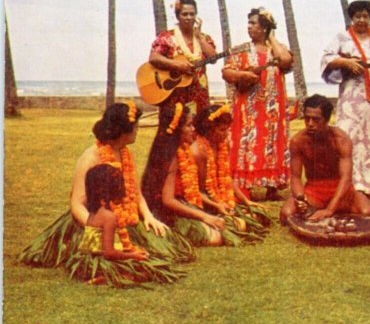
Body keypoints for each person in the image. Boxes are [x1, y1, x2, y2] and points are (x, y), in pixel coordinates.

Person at [20, 102, 195, 269]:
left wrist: (148, 216)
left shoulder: (125, 151)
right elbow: (77, 203)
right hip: (93, 218)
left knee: (168, 247)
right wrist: (98, 229)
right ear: (122, 131)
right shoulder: (91, 157)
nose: (137, 131)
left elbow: (135, 192)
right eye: (135, 128)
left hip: (123, 215)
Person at [141, 102, 254, 247]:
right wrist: (206, 217)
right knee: (217, 237)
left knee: (239, 224)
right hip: (169, 212)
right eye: (188, 125)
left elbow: (194, 190)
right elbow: (168, 201)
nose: (193, 129)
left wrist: (216, 206)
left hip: (186, 204)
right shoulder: (171, 157)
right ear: (176, 130)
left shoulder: (184, 150)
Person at [320, 0, 370, 200]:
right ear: (351, 18)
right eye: (358, 16)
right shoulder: (343, 37)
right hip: (351, 95)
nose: (362, 20)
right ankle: (345, 184)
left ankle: (366, 186)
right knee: (348, 136)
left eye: (365, 16)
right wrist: (346, 62)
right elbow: (327, 58)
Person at [64, 164, 185, 287]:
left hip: (87, 261)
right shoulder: (108, 217)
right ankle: (107, 277)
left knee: (143, 262)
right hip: (102, 263)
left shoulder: (94, 212)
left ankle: (107, 275)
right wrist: (134, 255)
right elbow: (109, 253)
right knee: (147, 272)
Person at [222, 8, 293, 200]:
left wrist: (272, 38)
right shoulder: (241, 49)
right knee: (246, 142)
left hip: (272, 108)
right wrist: (241, 75)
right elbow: (226, 72)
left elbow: (286, 62)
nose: (249, 27)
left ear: (264, 28)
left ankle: (273, 186)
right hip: (248, 108)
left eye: (254, 23)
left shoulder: (278, 50)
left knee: (272, 142)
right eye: (249, 23)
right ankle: (245, 186)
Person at [280, 94, 370, 224]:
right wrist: (300, 198)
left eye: (316, 120)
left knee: (367, 212)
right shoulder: (298, 141)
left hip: (341, 191)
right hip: (314, 191)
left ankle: (332, 211)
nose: (310, 124)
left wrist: (330, 209)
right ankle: (327, 211)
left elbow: (346, 179)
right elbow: (296, 177)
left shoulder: (341, 140)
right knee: (286, 214)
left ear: (327, 119)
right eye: (307, 119)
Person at [193, 103, 272, 237]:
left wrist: (246, 201)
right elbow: (196, 191)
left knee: (260, 216)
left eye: (227, 130)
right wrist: (216, 205)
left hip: (221, 200)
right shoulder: (198, 152)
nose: (226, 135)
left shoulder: (223, 144)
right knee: (241, 224)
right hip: (202, 202)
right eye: (222, 130)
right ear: (208, 129)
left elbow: (227, 178)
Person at [149, 0, 217, 113]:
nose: (189, 18)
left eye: (192, 14)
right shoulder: (167, 37)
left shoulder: (204, 38)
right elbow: (153, 57)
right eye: (184, 14)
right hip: (174, 93)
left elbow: (213, 58)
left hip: (199, 95)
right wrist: (176, 65)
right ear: (177, 16)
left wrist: (199, 38)